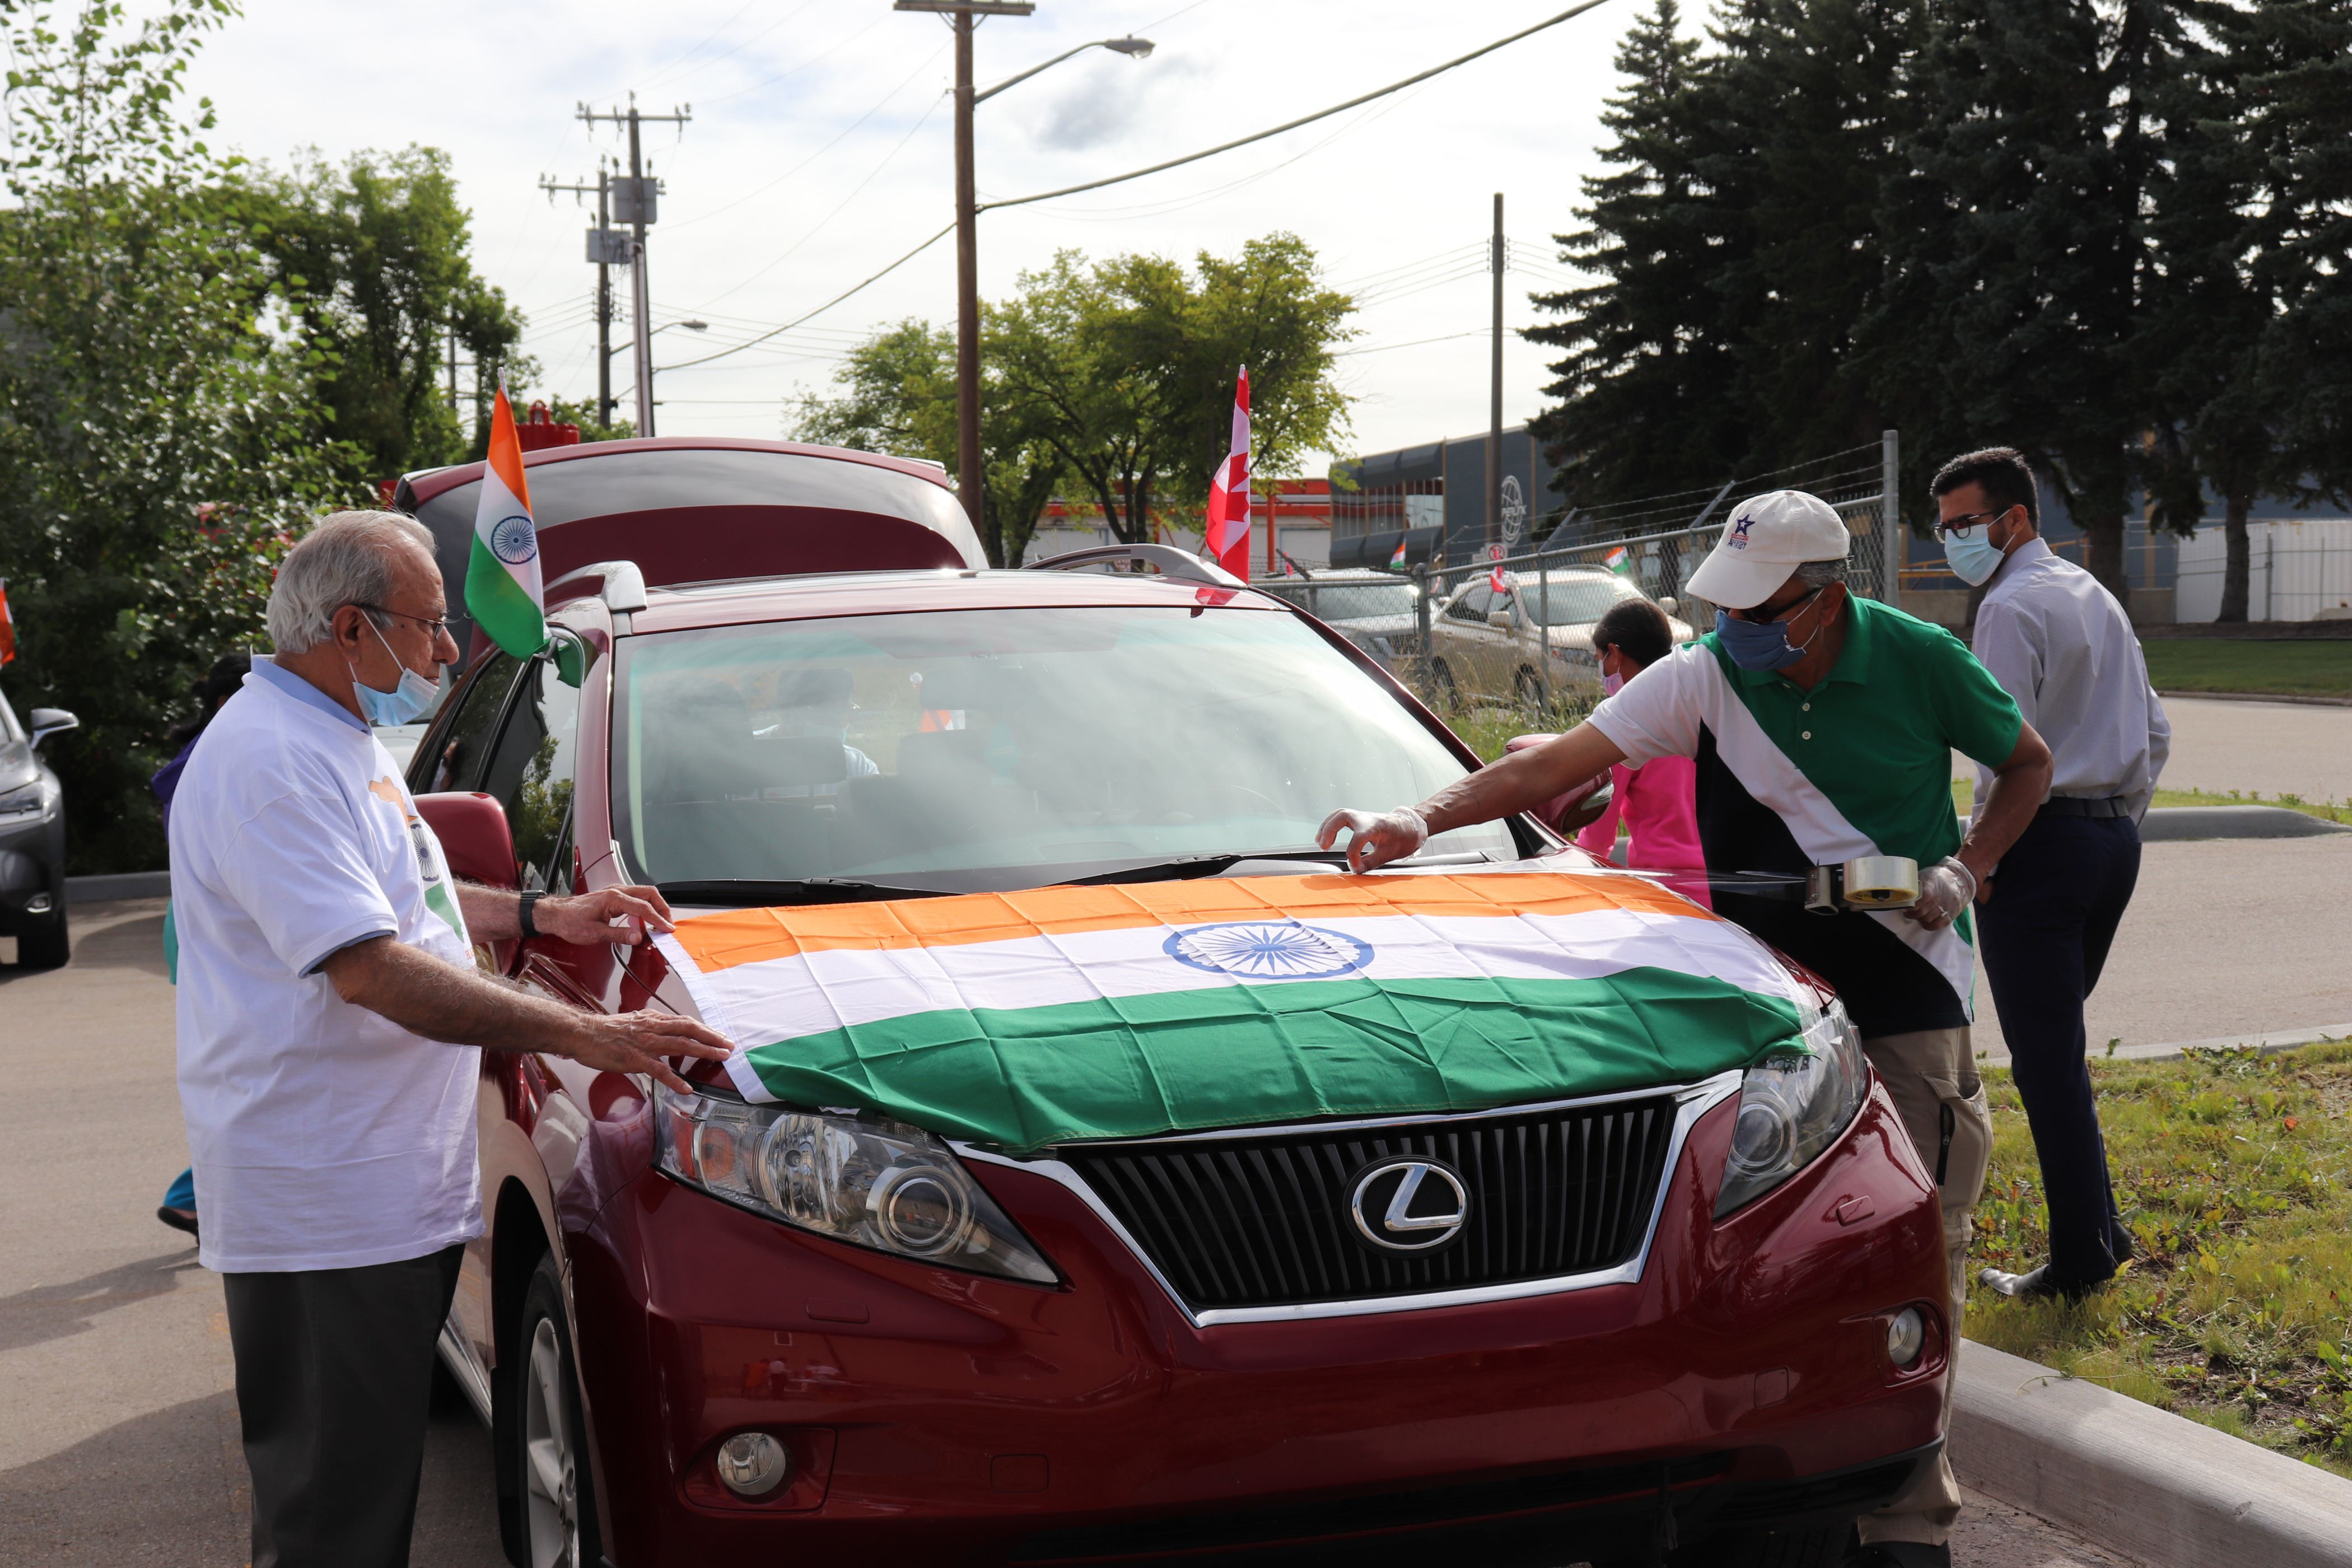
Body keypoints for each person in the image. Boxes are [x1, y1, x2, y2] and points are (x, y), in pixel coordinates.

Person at [1317, 489, 2055, 1568]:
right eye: (1723, 606)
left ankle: (1907, 1523)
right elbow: (1552, 766)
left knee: (1917, 1249)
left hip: (1910, 992)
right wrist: (1418, 818)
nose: (1733, 626)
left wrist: (1968, 865)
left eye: (1758, 609)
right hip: (1764, 1011)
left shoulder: (1919, 659)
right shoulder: (1706, 676)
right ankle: (1772, 1483)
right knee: (1770, 1255)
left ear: (1825, 599)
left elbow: (2028, 762)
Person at [170, 510, 734, 1568]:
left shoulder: (332, 735)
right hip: (329, 1208)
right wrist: (590, 1032)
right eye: (428, 625)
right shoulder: (271, 762)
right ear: (349, 627)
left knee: (355, 1499)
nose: (443, 652)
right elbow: (371, 968)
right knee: (335, 1523)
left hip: (378, 1192)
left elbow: (404, 898)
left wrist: (540, 916)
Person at [1931, 447, 2169, 1302]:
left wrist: (1982, 859)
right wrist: (2118, 824)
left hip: (2040, 844)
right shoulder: (2093, 594)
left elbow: (2007, 752)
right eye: (1943, 528)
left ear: (2016, 519)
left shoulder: (2008, 606)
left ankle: (2080, 1262)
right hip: (2110, 840)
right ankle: (2102, 1230)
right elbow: (2157, 731)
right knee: (2058, 1048)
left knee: (2046, 1062)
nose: (1952, 541)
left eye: (1965, 523)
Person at [153, 651, 253, 1240]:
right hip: (211, 923)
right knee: (244, 1064)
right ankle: (191, 1195)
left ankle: (192, 1195)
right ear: (224, 703)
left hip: (194, 920)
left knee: (237, 1064)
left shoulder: (201, 756)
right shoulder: (215, 761)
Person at [1571, 598, 1709, 905]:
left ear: (1615, 653)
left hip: (1667, 894)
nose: (1601, 670)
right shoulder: (1701, 703)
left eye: (1600, 659)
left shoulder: (1622, 720)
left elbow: (1598, 837)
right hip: (1729, 882)